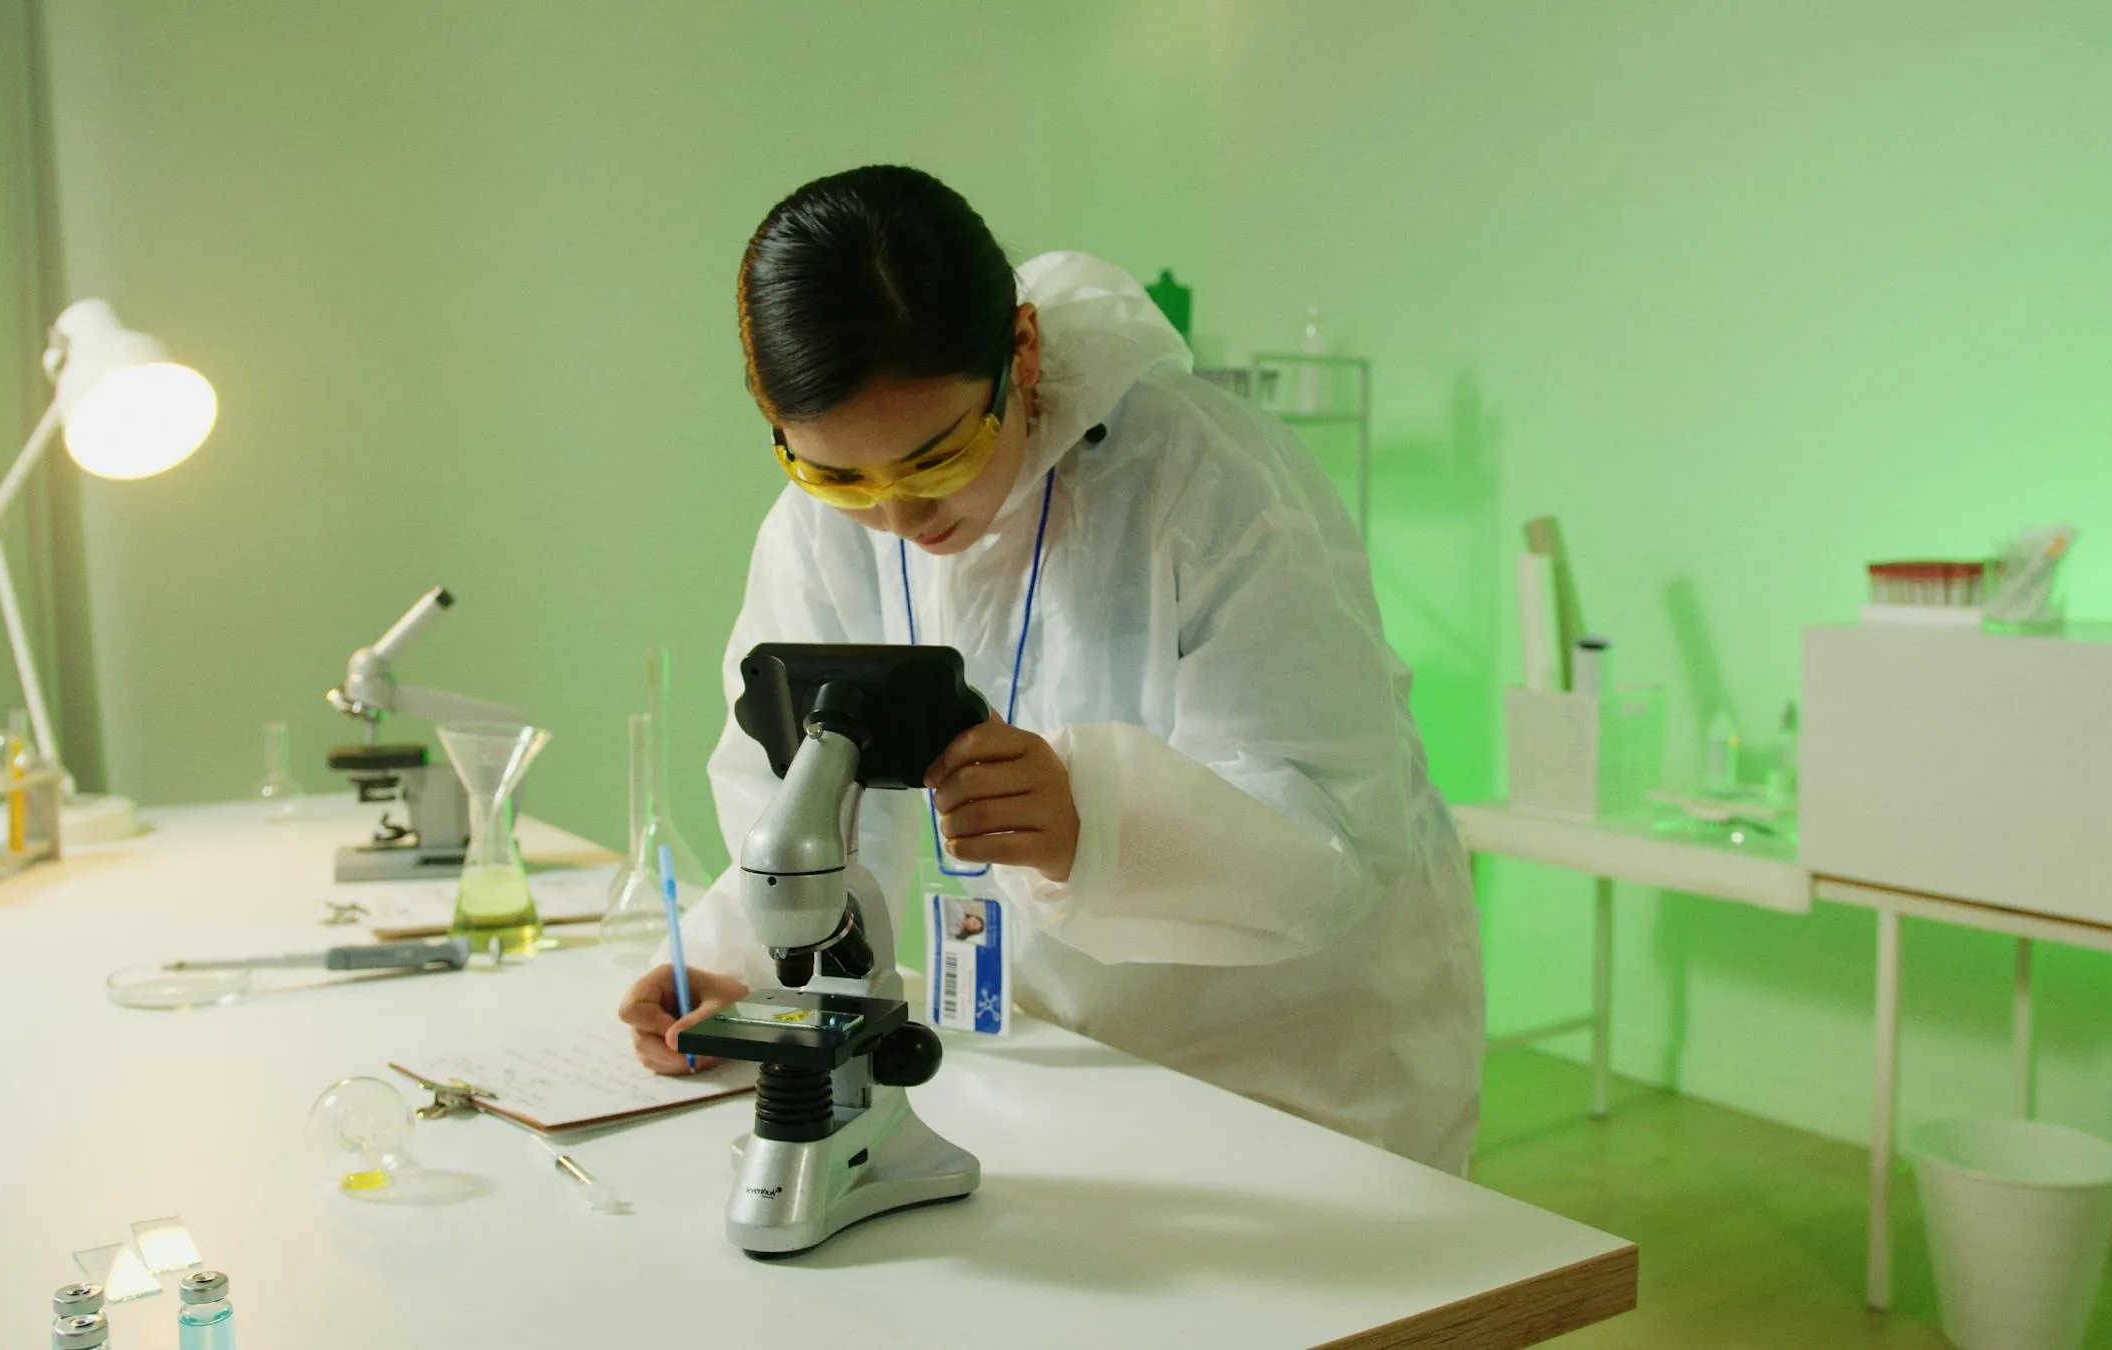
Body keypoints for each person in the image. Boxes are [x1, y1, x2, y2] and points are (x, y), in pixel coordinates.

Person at [617, 165, 1482, 1172]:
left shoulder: (1207, 485)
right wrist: (740, 968)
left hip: (1281, 1076)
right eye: (835, 473)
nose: (899, 519)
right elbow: (815, 789)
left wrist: (1096, 823)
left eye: (937, 459)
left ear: (1020, 352)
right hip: (1026, 1068)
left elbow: (1338, 835)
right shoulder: (822, 531)